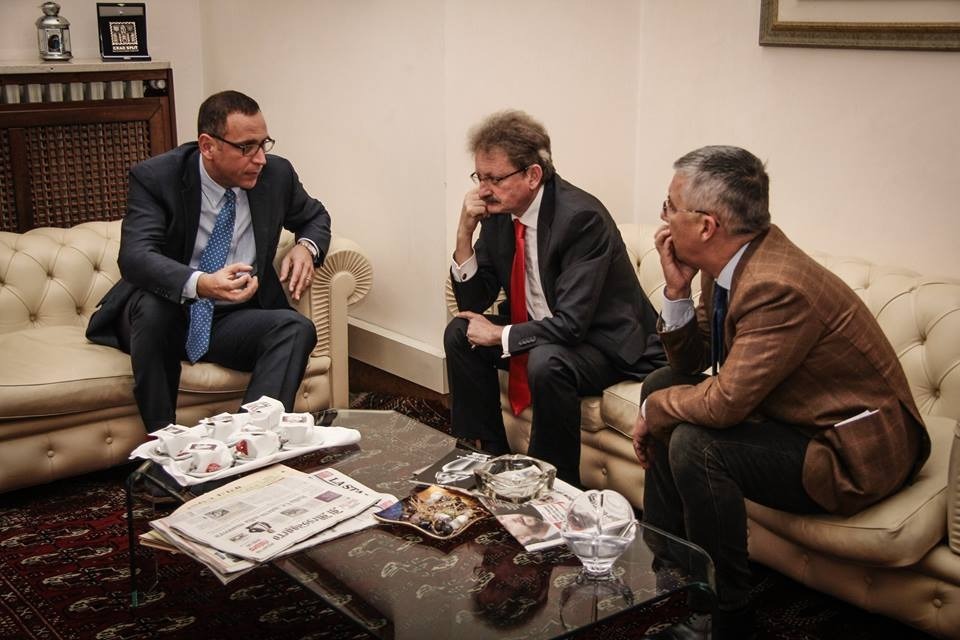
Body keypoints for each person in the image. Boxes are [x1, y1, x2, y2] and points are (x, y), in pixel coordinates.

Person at [632, 145, 930, 638]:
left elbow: (725, 404)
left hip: (852, 452)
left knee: (695, 443)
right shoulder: (727, 264)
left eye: (670, 206)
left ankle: (725, 613)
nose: (663, 219)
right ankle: (672, 569)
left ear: (706, 226)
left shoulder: (775, 285)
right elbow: (689, 364)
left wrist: (653, 412)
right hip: (793, 418)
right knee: (662, 383)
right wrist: (677, 293)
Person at [87, 90, 330, 434]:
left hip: (231, 319)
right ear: (208, 146)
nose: (261, 159)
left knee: (296, 328)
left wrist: (306, 247)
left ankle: (249, 440)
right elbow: (136, 256)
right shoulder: (158, 177)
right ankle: (163, 442)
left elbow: (315, 217)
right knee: (156, 309)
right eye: (246, 147)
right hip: (169, 312)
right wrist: (201, 283)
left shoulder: (276, 175)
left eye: (264, 144)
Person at [444, 110, 665, 485]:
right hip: (546, 332)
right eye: (479, 177)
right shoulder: (499, 213)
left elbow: (572, 325)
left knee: (548, 361)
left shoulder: (580, 218)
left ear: (532, 175)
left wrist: (501, 335)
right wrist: (464, 235)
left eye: (495, 178)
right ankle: (487, 456)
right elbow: (474, 302)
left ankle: (552, 483)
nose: (483, 190)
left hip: (603, 343)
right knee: (459, 333)